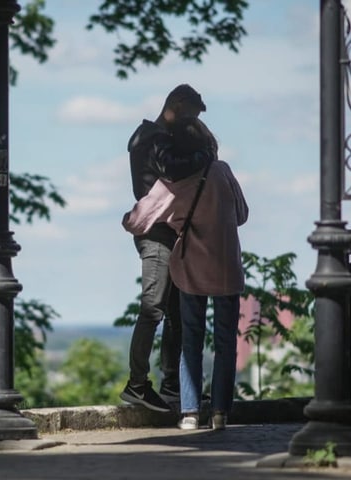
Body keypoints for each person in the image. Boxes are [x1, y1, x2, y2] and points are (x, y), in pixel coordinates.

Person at [122, 118, 249, 430]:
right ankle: (220, 412)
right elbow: (243, 214)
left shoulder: (173, 185)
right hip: (227, 268)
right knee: (225, 343)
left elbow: (136, 221)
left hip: (191, 269)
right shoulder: (223, 171)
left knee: (190, 340)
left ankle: (189, 412)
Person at [121, 84, 210, 412]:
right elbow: (173, 169)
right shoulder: (153, 139)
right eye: (190, 116)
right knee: (153, 307)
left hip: (167, 234)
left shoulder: (149, 137)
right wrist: (206, 155)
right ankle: (137, 384)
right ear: (177, 104)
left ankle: (174, 387)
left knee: (175, 314)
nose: (191, 124)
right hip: (157, 234)